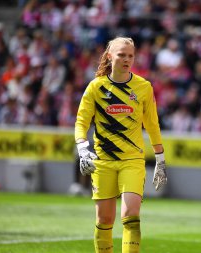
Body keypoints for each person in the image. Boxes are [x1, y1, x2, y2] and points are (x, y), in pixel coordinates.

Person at [74, 36, 167, 253]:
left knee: (130, 214)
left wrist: (160, 159)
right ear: (109, 57)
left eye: (130, 56)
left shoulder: (143, 87)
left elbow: (152, 125)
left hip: (132, 160)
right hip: (103, 161)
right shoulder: (96, 87)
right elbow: (81, 121)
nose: (126, 60)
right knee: (104, 218)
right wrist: (82, 148)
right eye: (121, 55)